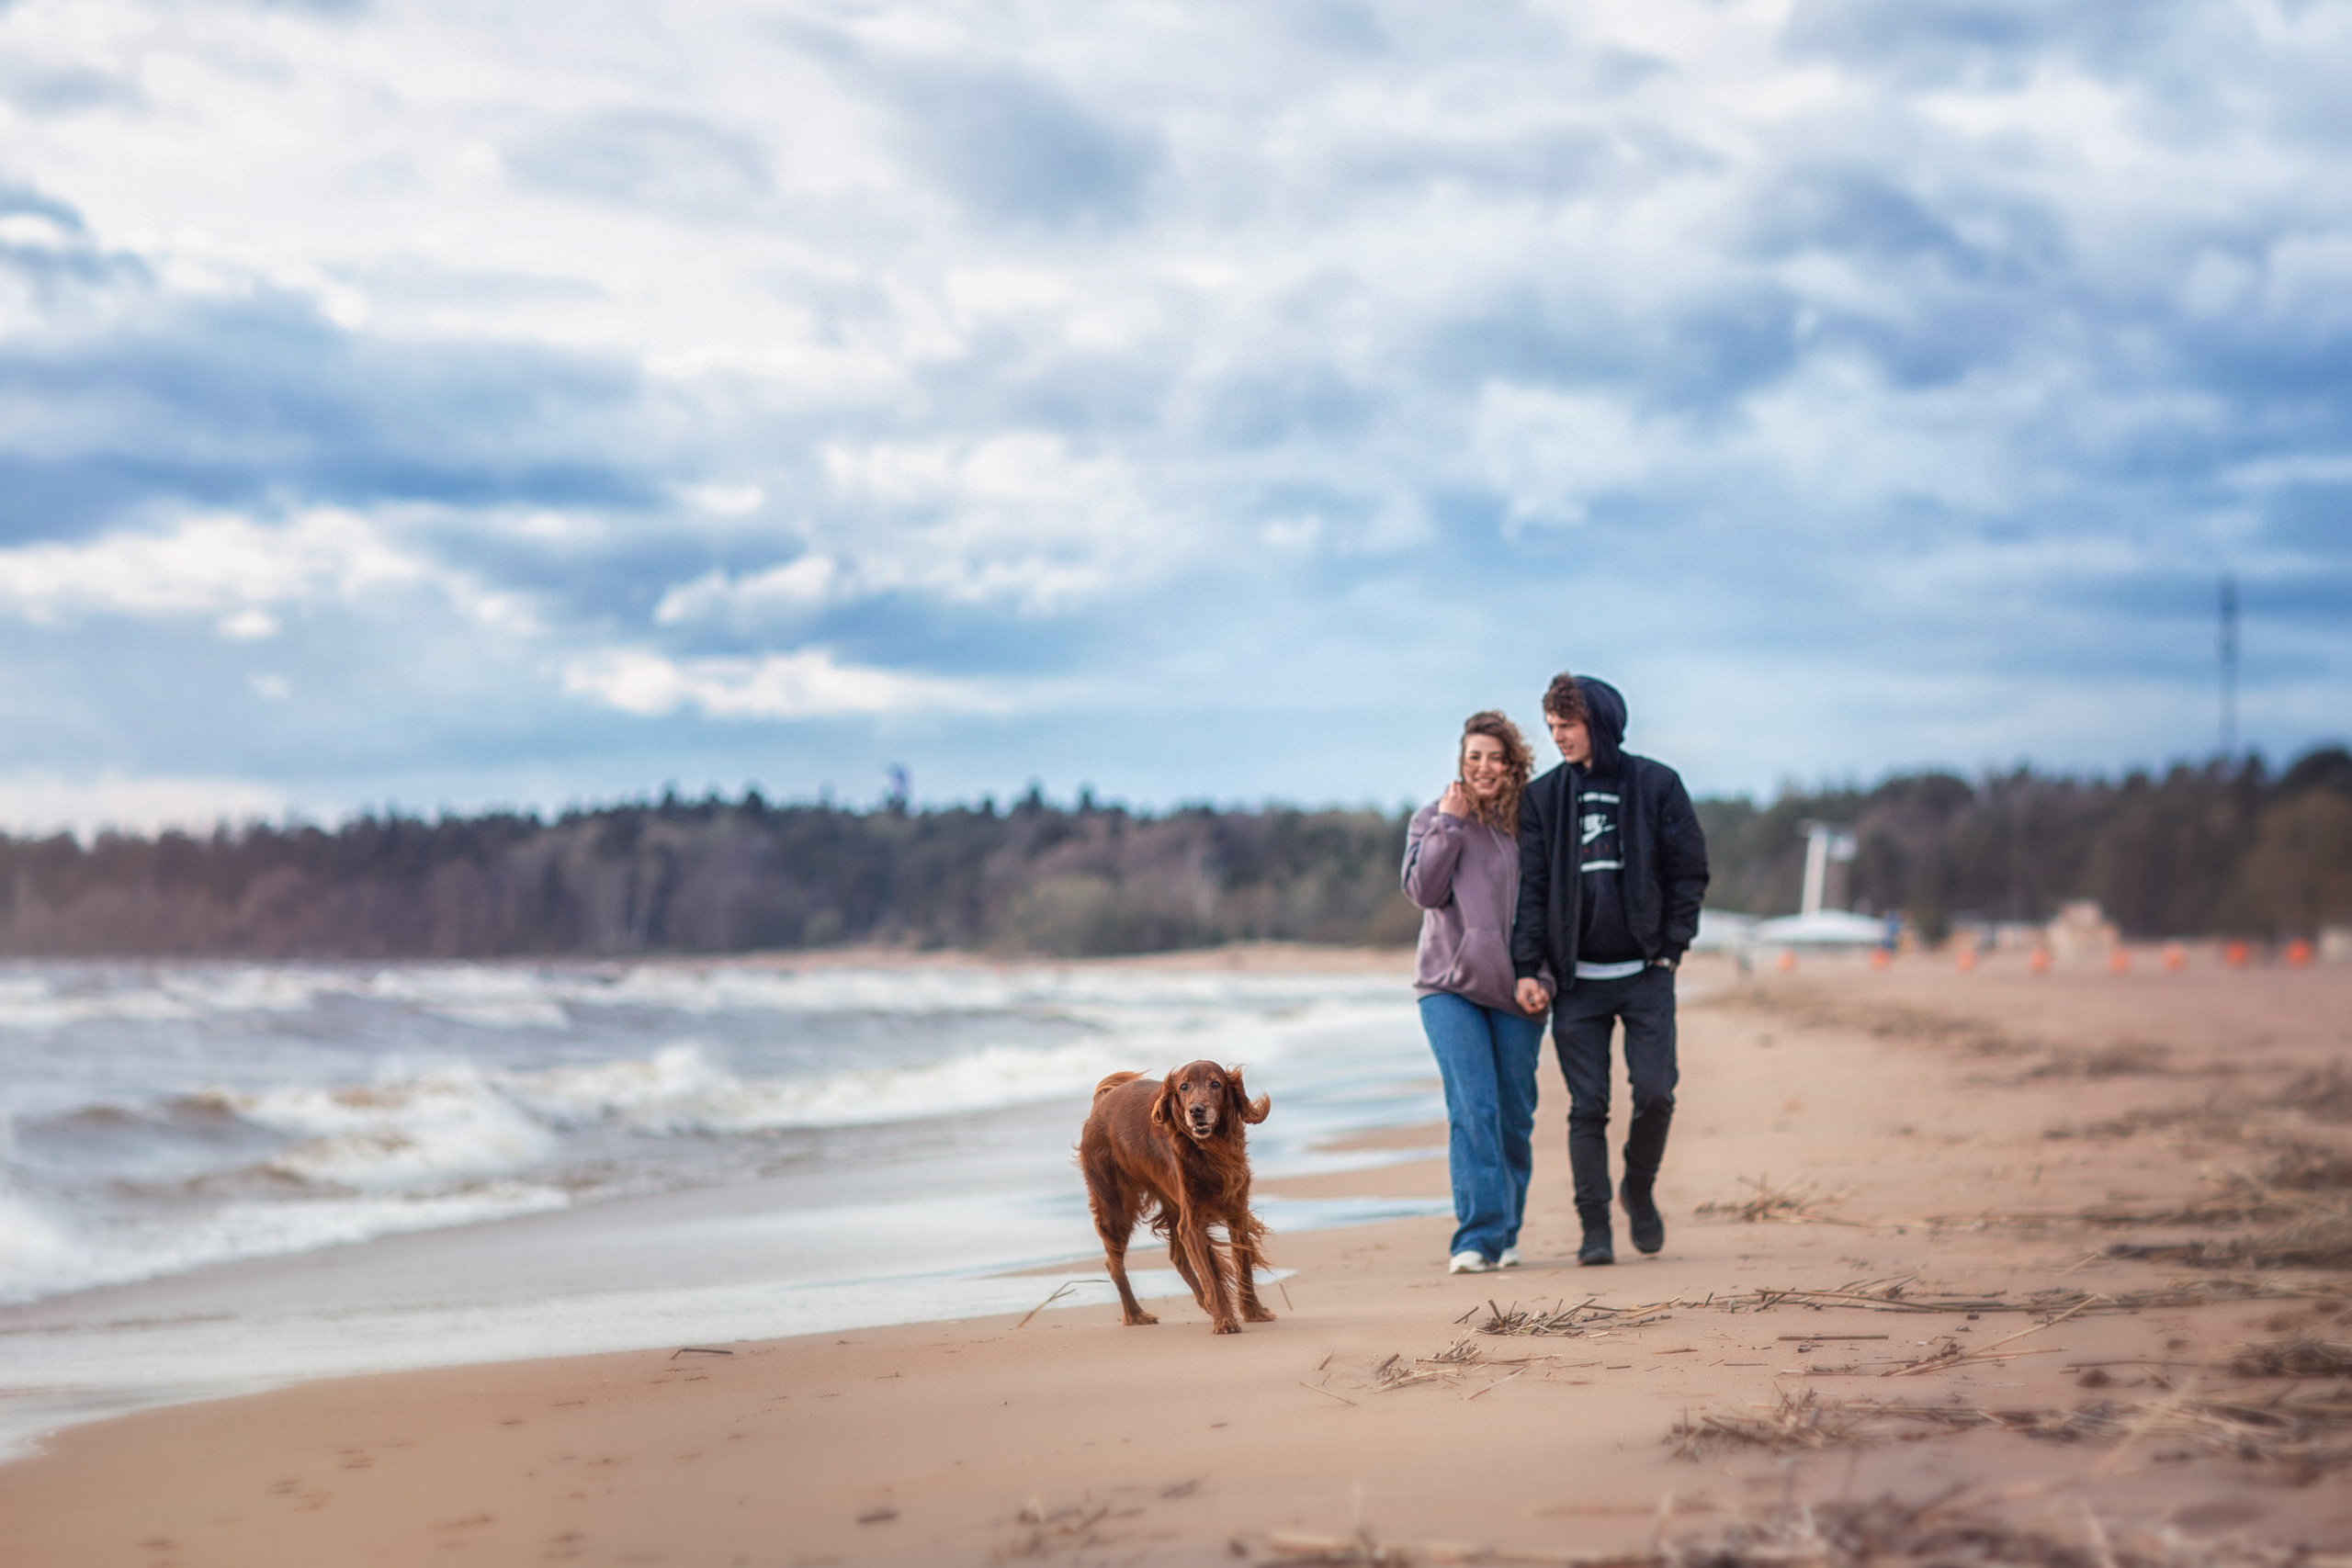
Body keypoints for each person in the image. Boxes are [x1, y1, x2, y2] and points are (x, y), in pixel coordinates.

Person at [1510, 673, 1708, 1266]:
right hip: (1578, 981)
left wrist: (1673, 947)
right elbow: (1533, 889)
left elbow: (1689, 872)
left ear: (1597, 722)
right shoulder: (1543, 798)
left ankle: (1638, 1188)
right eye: (1551, 727)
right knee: (1586, 1108)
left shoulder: (1658, 784)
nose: (1557, 737)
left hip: (1647, 973)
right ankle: (1594, 1227)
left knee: (1656, 1094)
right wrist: (1528, 965)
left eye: (1566, 726)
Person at [1402, 710, 1552, 1274]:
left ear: (1513, 765)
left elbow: (1552, 913)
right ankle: (1476, 1238)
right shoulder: (1433, 818)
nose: (1484, 767)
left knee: (1513, 1116)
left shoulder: (1532, 828)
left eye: (1494, 757)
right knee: (1473, 1108)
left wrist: (1547, 978)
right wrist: (1449, 824)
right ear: (1460, 764)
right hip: (1448, 988)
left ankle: (1506, 1231)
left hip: (1520, 993)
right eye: (1473, 758)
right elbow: (1423, 890)